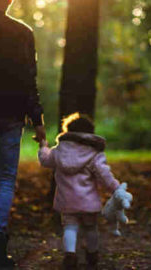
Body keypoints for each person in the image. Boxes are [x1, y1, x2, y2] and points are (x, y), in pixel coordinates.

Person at [0, 0, 45, 267]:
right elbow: (29, 79)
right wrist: (38, 120)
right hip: (11, 115)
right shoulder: (23, 33)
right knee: (4, 179)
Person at [38, 113, 122, 270]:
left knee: (69, 227)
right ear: (90, 133)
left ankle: (70, 254)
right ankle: (92, 254)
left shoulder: (59, 150)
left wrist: (43, 146)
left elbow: (45, 160)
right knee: (91, 227)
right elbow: (104, 175)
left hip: (66, 200)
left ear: (68, 131)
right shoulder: (94, 153)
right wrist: (116, 188)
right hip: (88, 202)